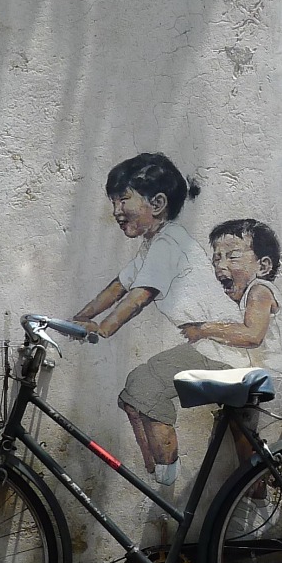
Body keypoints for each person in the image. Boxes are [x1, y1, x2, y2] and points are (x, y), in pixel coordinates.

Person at [72, 153, 242, 483]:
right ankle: (157, 474)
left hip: (222, 348)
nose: (116, 211)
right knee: (135, 390)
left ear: (158, 202)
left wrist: (103, 328)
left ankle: (166, 483)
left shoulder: (170, 242)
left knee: (147, 386)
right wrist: (74, 320)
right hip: (209, 346)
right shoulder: (152, 244)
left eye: (124, 199)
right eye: (113, 201)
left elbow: (140, 296)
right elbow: (118, 287)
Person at [178, 218, 282, 413]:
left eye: (232, 257)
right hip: (281, 381)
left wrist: (202, 330)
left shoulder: (259, 291)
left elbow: (252, 335)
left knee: (240, 416)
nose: (221, 266)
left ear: (263, 266)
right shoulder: (246, 299)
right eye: (216, 258)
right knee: (236, 421)